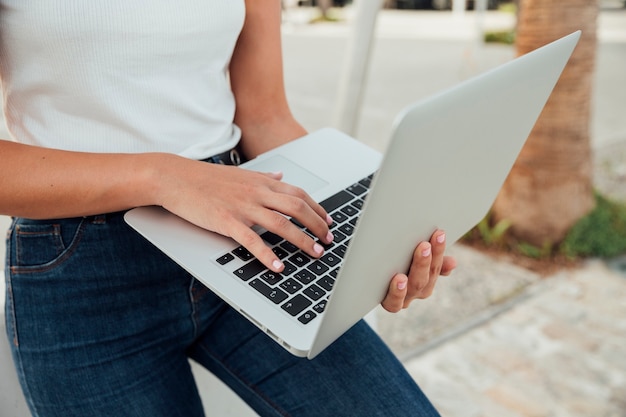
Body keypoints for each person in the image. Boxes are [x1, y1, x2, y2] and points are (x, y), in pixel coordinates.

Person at [0, 1, 456, 416]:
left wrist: (368, 218)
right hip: (84, 274)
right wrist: (164, 176)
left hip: (250, 236)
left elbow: (264, 115)